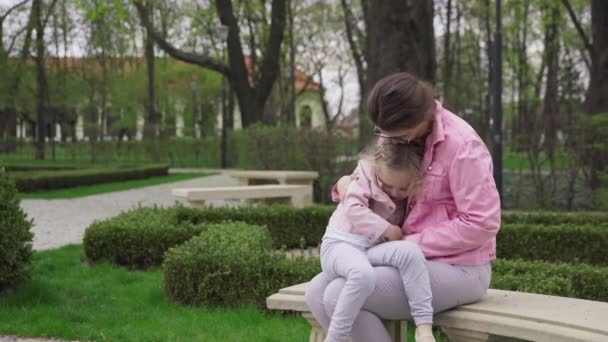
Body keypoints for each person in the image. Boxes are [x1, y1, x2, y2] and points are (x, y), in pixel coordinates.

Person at [305, 72, 501, 342]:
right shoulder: (396, 134)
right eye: (382, 132)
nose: (386, 139)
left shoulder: (463, 146)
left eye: (396, 134)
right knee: (316, 292)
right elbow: (364, 182)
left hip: (459, 268)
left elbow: (482, 223)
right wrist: (344, 185)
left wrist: (409, 242)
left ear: (420, 120)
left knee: (339, 293)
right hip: (397, 256)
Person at [320, 139, 435, 342]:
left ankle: (424, 328)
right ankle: (335, 338)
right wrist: (387, 229)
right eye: (388, 185)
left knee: (411, 252)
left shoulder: (415, 184)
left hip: (370, 249)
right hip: (341, 244)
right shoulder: (366, 172)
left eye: (403, 189)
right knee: (363, 275)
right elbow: (353, 208)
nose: (395, 193)